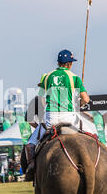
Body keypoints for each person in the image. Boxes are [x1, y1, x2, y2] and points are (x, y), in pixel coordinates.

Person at [25, 49, 90, 180]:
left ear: (58, 62)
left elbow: (41, 99)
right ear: (70, 64)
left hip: (51, 119)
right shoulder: (75, 78)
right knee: (93, 136)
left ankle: (32, 166)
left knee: (30, 144)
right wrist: (79, 104)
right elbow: (86, 99)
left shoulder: (47, 77)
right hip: (70, 118)